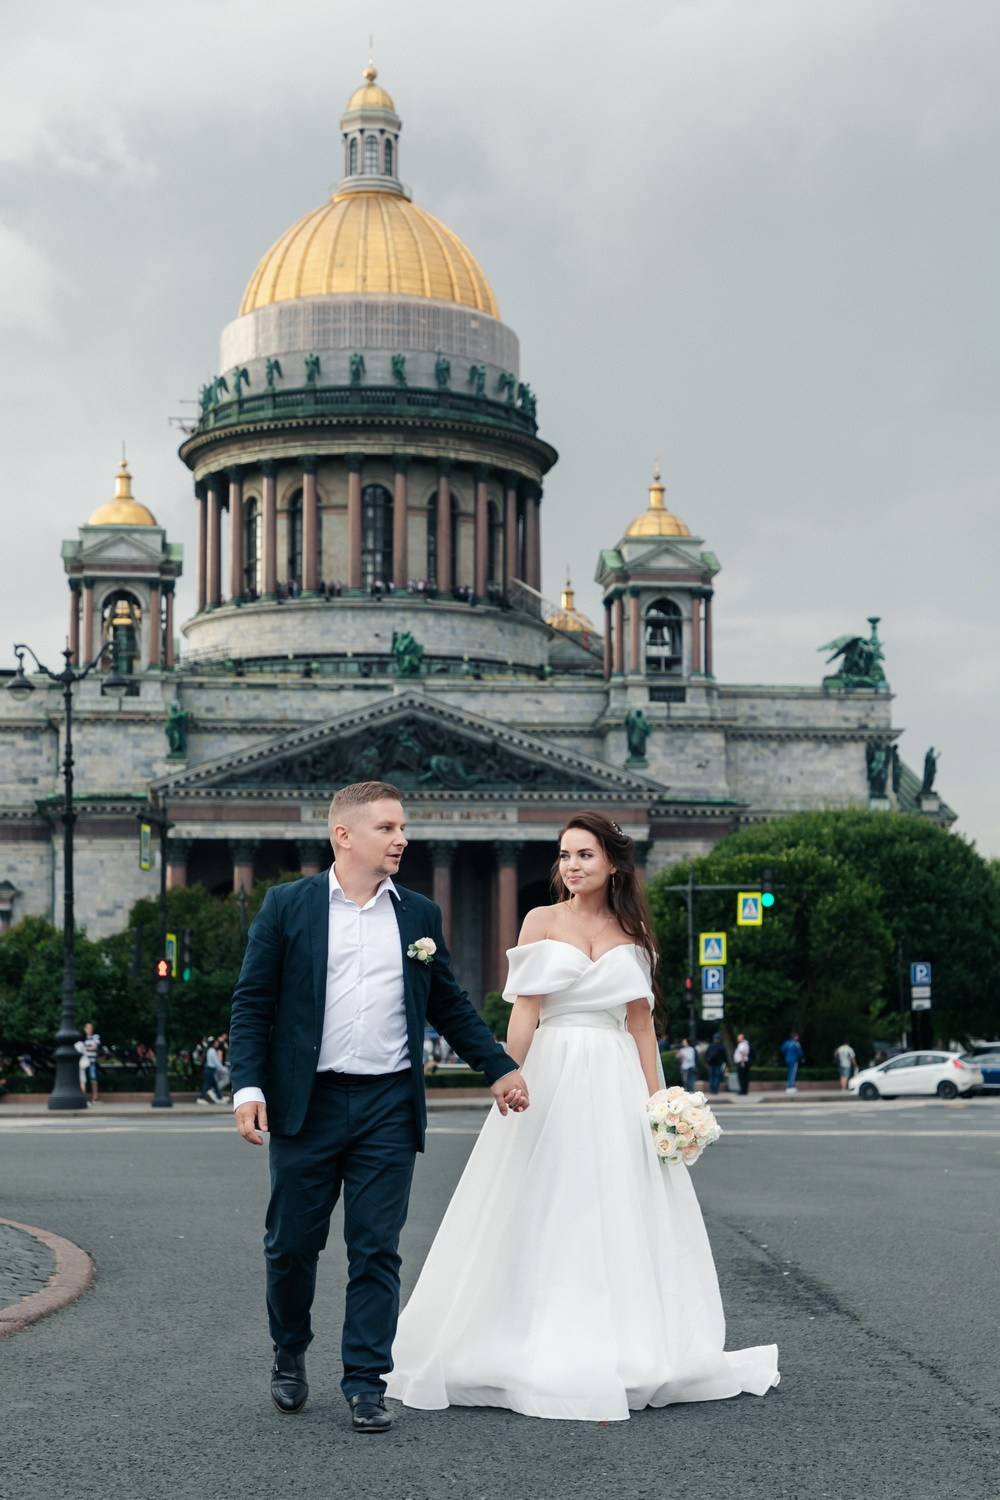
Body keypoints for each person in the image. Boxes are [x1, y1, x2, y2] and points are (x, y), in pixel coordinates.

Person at [386, 810, 779, 1420]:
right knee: (546, 1196)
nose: (571, 865)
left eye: (585, 855)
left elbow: (643, 1026)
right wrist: (504, 1071)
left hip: (618, 1073)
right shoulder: (541, 919)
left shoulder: (636, 928)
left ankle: (631, 1342)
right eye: (565, 855)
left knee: (619, 1201)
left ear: (614, 863)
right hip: (553, 1068)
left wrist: (661, 1102)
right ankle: (524, 1335)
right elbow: (526, 1012)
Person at [229, 781, 528, 1434]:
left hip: (387, 1104)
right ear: (345, 835)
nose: (402, 838)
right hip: (307, 1104)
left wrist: (498, 1065)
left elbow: (445, 1000)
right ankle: (290, 1349)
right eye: (389, 827)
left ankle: (366, 1381)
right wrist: (248, 1087)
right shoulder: (287, 907)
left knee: (376, 1249)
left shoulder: (418, 914)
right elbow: (253, 1002)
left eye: (402, 827)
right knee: (291, 1246)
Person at [75, 1022, 101, 1105]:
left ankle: (95, 1098)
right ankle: (83, 1097)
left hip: (91, 1061)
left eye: (90, 1028)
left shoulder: (95, 1037)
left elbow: (94, 1047)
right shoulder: (82, 1038)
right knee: (83, 1080)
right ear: (84, 1029)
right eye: (87, 1028)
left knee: (93, 1079)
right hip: (83, 1062)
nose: (89, 1029)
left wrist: (85, 1048)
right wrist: (87, 1048)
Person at [196, 1037, 224, 1105]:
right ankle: (200, 1098)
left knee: (215, 1085)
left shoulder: (210, 1050)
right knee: (207, 1084)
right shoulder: (212, 1051)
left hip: (210, 1069)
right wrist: (223, 1069)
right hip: (210, 1069)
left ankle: (220, 1098)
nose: (217, 1044)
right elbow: (216, 1062)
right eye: (216, 1043)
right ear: (213, 1044)